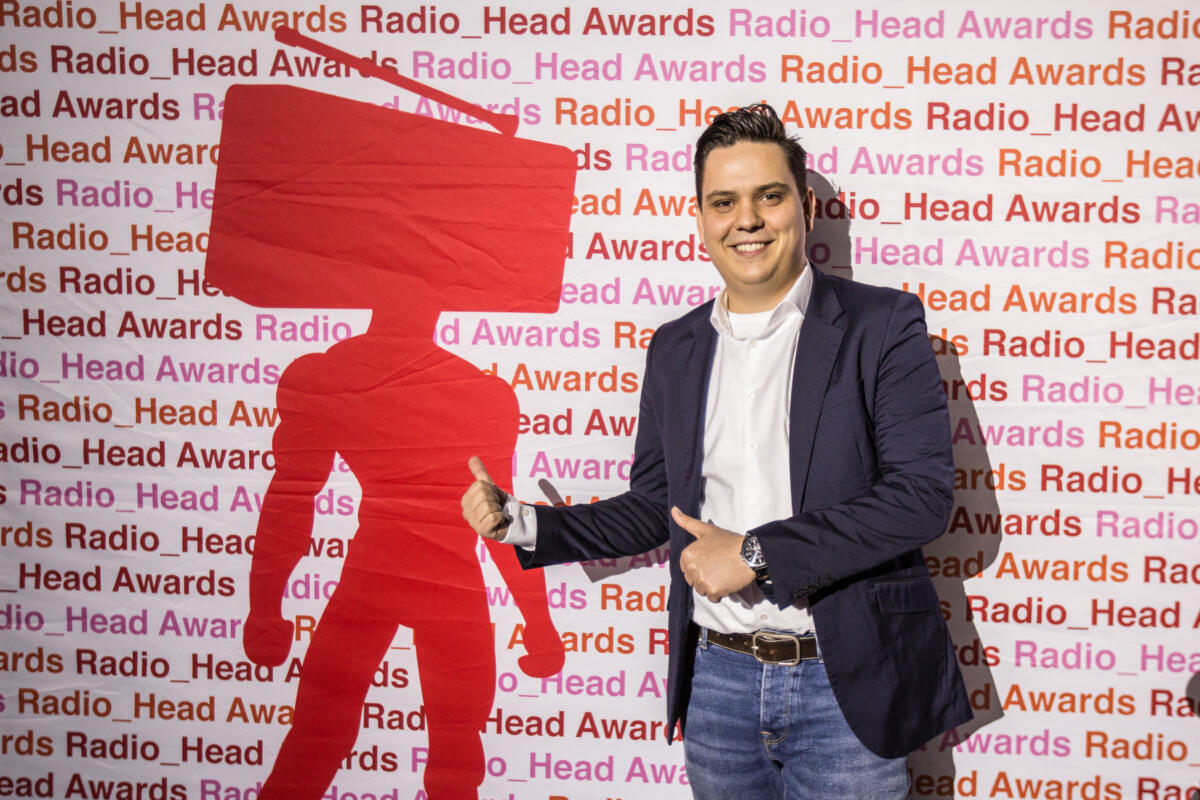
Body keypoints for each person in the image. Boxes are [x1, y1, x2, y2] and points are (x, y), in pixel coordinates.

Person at [462, 103, 971, 799]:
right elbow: (656, 506)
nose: (747, 220)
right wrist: (522, 522)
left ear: (806, 208)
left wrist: (757, 554)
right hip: (717, 685)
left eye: (770, 196)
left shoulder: (881, 324)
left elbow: (920, 498)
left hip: (845, 680)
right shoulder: (675, 346)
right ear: (700, 218)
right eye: (724, 202)